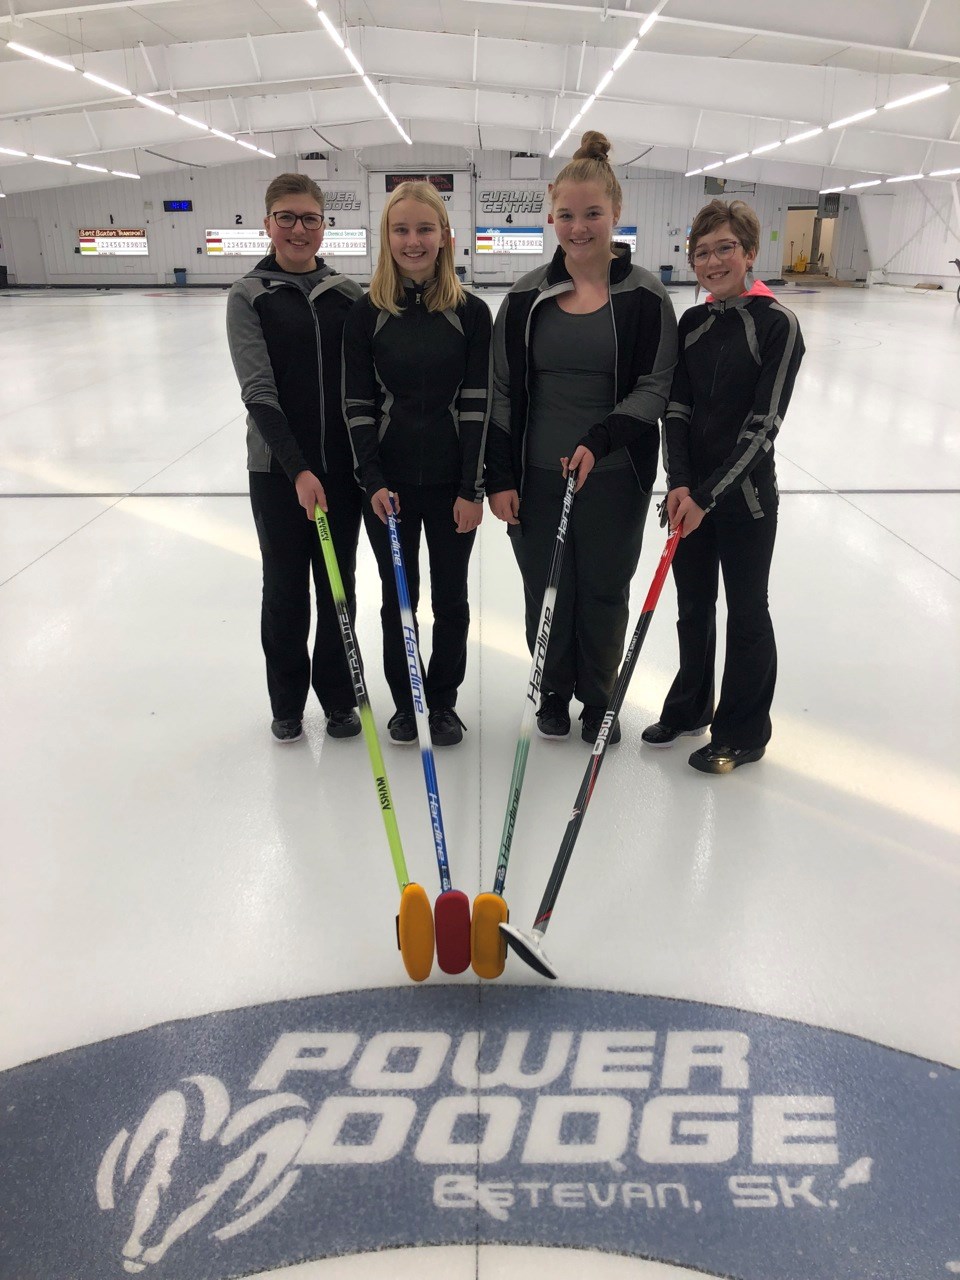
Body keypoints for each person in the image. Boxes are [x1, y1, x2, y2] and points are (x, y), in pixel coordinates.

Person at [485, 131, 678, 744]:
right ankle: (550, 694)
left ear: (616, 213)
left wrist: (601, 438)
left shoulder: (645, 296)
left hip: (615, 476)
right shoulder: (523, 297)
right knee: (546, 591)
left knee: (602, 591)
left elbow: (655, 387)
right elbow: (501, 393)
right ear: (550, 217)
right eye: (566, 215)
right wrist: (500, 476)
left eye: (592, 213)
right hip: (539, 476)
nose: (579, 226)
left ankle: (599, 700)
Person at [642, 198, 805, 773]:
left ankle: (743, 730)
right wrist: (680, 486)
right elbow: (677, 411)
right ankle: (690, 707)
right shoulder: (693, 323)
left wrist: (708, 495)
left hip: (745, 502)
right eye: (702, 251)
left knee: (747, 611)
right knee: (693, 607)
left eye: (724, 248)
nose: (712, 261)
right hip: (691, 501)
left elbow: (763, 427)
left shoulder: (777, 324)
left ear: (750, 252)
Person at [342, 181, 492, 747]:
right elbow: (356, 405)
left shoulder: (471, 313)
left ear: (445, 237)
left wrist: (471, 488)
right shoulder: (367, 315)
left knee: (451, 599)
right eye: (401, 229)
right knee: (397, 598)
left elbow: (479, 406)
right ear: (387, 237)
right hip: (390, 489)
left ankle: (444, 701)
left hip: (453, 486)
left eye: (424, 228)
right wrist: (373, 481)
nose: (413, 240)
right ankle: (408, 704)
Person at [227, 172, 364, 744]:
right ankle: (287, 702)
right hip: (279, 473)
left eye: (309, 218)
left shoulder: (347, 295)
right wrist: (298, 469)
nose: (298, 228)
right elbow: (258, 393)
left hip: (342, 470)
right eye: (286, 217)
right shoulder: (249, 295)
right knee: (285, 588)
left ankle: (337, 699)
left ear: (323, 226)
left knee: (339, 586)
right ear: (267, 224)